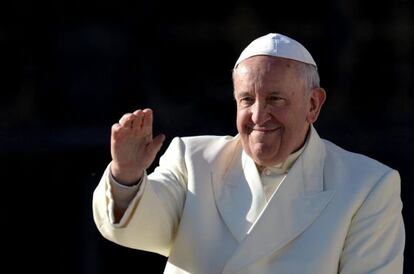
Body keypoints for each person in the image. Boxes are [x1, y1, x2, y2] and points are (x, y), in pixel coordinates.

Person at [92, 33, 405, 274]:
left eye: (275, 100)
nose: (258, 115)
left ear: (312, 105)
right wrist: (128, 175)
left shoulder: (367, 186)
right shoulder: (194, 160)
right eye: (246, 100)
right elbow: (136, 228)